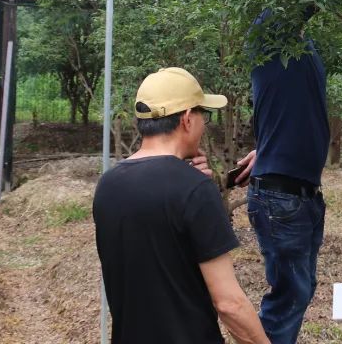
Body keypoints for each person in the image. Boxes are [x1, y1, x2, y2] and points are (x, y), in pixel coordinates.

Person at [92, 67, 269, 344]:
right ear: (187, 119)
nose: (203, 125)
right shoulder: (195, 190)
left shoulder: (108, 185)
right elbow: (229, 304)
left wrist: (188, 181)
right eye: (204, 116)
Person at [232, 6, 329, 344]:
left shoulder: (305, 47)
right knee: (290, 295)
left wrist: (269, 148)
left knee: (300, 291)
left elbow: (294, 108)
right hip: (281, 199)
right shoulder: (268, 34)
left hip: (303, 195)